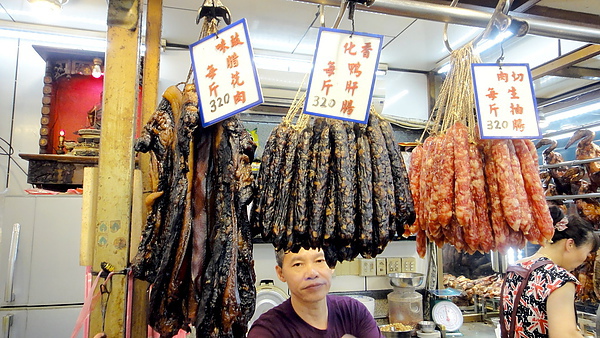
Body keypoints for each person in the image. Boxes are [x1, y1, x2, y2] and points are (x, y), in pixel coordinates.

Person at [499, 208, 600, 338]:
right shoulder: (559, 279)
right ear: (570, 244)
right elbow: (564, 335)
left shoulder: (516, 267)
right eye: (586, 253)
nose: (584, 259)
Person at [247, 247, 384, 338]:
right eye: (298, 264)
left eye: (319, 260)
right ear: (280, 273)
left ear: (332, 265)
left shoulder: (353, 312)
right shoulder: (267, 331)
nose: (312, 273)